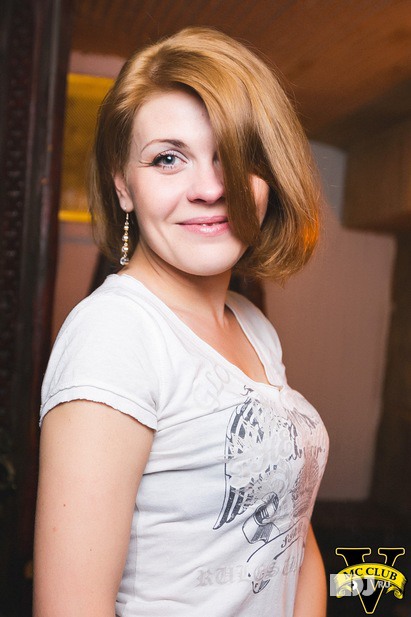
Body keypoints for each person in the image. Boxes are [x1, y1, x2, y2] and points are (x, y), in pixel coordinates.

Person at [33, 27, 329, 617]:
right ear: (123, 184)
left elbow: (291, 539)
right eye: (168, 158)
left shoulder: (250, 325)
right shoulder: (115, 335)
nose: (211, 188)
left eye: (235, 156)